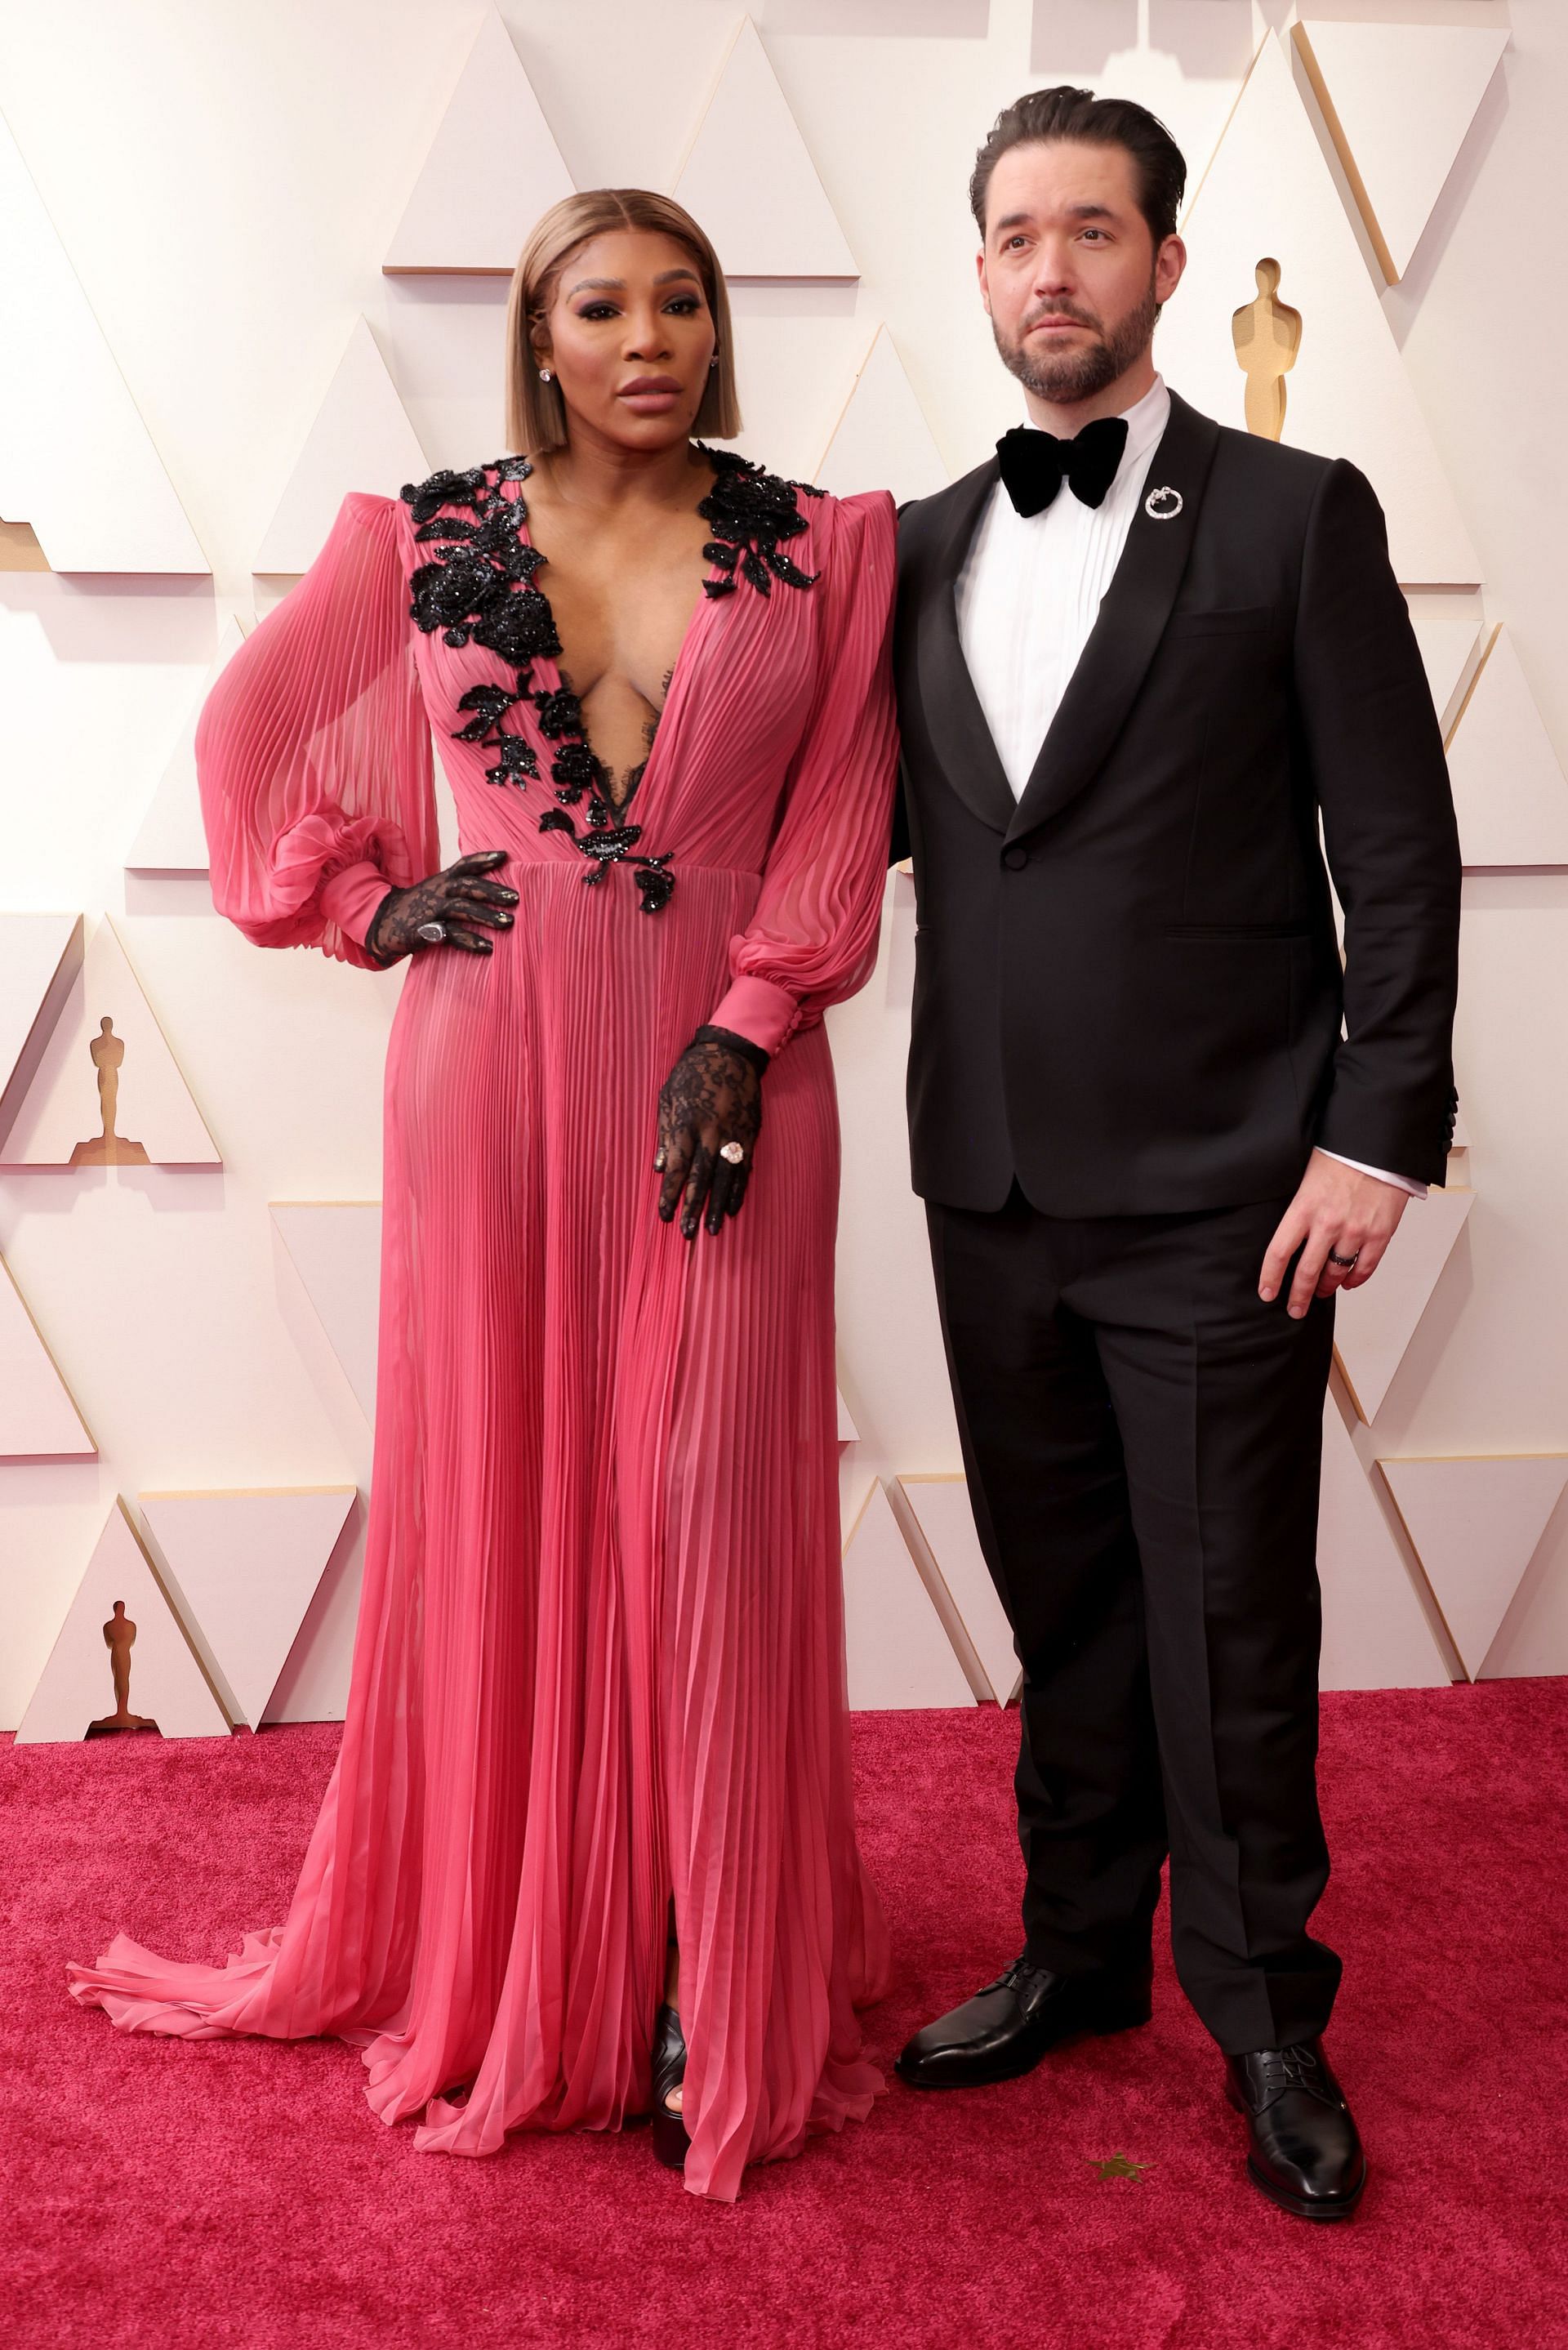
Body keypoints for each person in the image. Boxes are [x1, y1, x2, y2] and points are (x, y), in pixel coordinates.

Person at [68, 187, 897, 2203]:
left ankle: (717, 1950)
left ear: (718, 322)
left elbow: (845, 819)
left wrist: (758, 1018)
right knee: (518, 1478)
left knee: (711, 1501)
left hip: (726, 1075)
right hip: (489, 1067)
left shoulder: (822, 545)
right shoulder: (424, 536)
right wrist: (361, 903)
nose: (647, 338)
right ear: (537, 333)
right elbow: (253, 730)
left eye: (682, 300)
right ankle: (544, 1946)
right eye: (600, 305)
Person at [889, 88, 1459, 2221]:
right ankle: (1074, 1947)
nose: (1054, 266)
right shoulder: (921, 542)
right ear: (981, 273)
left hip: (1236, 1182)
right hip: (992, 1177)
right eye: (1018, 233)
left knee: (1231, 1621)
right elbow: (864, 833)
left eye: (1094, 231)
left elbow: (1395, 852)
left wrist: (1375, 1131)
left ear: (1165, 263)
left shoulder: (1293, 516)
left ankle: (1267, 2017)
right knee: (1071, 1604)